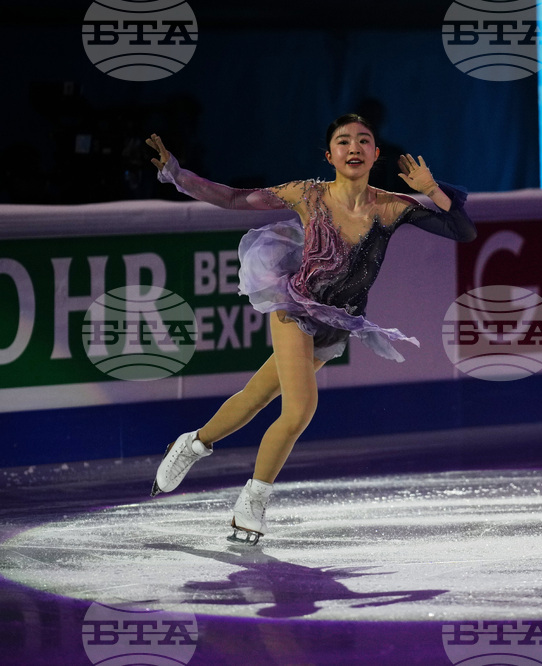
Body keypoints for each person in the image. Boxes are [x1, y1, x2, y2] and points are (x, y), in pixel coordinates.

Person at [145, 114, 476, 545]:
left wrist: (431, 189)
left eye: (363, 141)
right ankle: (253, 502)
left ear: (376, 154)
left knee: (256, 397)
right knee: (299, 409)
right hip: (295, 307)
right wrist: (177, 174)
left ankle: (190, 444)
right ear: (330, 155)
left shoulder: (392, 206)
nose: (353, 147)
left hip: (338, 321)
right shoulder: (308, 194)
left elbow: (461, 230)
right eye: (343, 142)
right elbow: (233, 198)